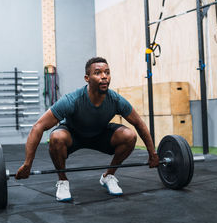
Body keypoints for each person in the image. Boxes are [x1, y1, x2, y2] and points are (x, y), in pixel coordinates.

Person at [15, 57, 160, 201]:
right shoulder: (72, 100)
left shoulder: (115, 100)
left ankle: (108, 176)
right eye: (98, 73)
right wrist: (28, 163)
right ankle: (63, 180)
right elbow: (38, 126)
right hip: (73, 135)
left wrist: (152, 153)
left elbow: (139, 123)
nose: (104, 77)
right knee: (56, 138)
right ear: (87, 78)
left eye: (107, 72)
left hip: (100, 134)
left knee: (129, 136)